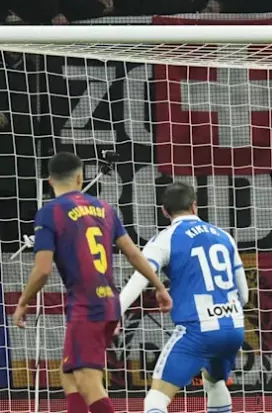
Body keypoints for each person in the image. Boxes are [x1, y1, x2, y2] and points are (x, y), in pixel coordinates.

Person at [12, 152, 172, 413]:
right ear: (80, 177)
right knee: (69, 373)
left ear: (50, 181)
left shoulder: (50, 212)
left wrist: (22, 302)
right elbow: (133, 253)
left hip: (87, 307)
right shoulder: (104, 208)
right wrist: (160, 286)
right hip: (108, 303)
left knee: (88, 382)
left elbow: (42, 270)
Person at [118, 182, 248, 413]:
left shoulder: (164, 240)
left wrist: (114, 313)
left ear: (164, 211)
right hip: (234, 327)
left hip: (197, 330)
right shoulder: (224, 237)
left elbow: (138, 281)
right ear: (194, 206)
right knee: (215, 381)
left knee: (155, 399)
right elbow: (244, 295)